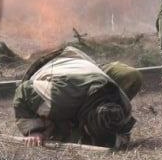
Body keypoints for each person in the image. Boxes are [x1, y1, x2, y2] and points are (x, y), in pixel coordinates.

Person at [13, 45, 143, 148]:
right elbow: (23, 91)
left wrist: (112, 140)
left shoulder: (123, 106)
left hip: (87, 67)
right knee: (59, 129)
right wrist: (34, 131)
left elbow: (123, 136)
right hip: (52, 66)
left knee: (130, 75)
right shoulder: (61, 100)